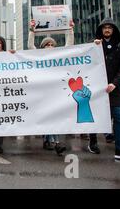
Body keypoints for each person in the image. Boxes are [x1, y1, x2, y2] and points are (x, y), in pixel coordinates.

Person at [90, 18, 120, 161]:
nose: (107, 29)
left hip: (114, 89)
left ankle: (119, 149)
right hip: (98, 89)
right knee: (97, 118)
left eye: (110, 27)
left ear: (114, 30)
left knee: (117, 117)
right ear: (101, 30)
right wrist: (94, 46)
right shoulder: (96, 45)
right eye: (104, 27)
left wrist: (114, 84)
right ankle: (92, 143)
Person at [28, 19, 74, 156]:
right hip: (43, 93)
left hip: (56, 93)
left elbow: (69, 46)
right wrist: (32, 31)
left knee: (54, 117)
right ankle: (51, 141)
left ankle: (53, 142)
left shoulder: (59, 57)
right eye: (46, 44)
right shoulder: (39, 58)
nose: (49, 46)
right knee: (48, 117)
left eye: (51, 44)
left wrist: (70, 30)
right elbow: (31, 46)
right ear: (42, 48)